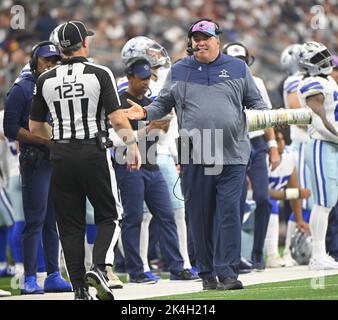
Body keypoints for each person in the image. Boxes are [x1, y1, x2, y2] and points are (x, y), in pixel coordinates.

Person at [125, 18, 269, 290]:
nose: (200, 42)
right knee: (200, 215)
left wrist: (267, 116)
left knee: (229, 213)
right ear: (191, 43)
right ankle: (206, 273)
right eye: (196, 38)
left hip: (233, 153)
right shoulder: (179, 70)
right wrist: (144, 113)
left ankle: (227, 272)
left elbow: (256, 103)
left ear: (218, 40)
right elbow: (163, 104)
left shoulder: (237, 67)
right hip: (194, 152)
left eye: (206, 37)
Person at [29, 21, 141, 300]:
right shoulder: (99, 72)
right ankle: (100, 267)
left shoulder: (45, 79)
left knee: (70, 224)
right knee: (110, 214)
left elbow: (35, 127)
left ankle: (79, 288)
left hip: (61, 155)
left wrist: (58, 139)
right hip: (92, 150)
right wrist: (132, 144)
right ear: (84, 44)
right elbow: (116, 118)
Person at [112, 57, 196, 283]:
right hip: (127, 165)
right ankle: (136, 271)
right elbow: (118, 139)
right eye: (141, 78)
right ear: (129, 77)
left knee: (166, 215)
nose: (145, 82)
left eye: (148, 77)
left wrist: (162, 126)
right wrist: (150, 127)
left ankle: (177, 268)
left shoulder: (150, 103)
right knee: (134, 218)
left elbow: (158, 137)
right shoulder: (118, 103)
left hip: (152, 163)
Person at [3, 41, 71, 295]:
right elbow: (10, 128)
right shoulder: (23, 88)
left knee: (53, 221)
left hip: (57, 160)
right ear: (35, 61)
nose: (51, 64)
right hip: (36, 161)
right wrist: (45, 142)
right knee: (35, 220)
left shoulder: (58, 86)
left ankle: (53, 274)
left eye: (55, 60)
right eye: (46, 60)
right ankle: (30, 277)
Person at [223, 42, 280, 272]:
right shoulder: (220, 82)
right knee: (234, 202)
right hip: (234, 142)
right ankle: (235, 255)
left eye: (242, 61)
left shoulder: (256, 82)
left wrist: (273, 144)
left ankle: (258, 252)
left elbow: (265, 115)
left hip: (256, 143)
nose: (240, 66)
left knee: (263, 198)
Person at [297, 41, 338, 270]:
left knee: (329, 202)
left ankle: (321, 254)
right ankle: (317, 255)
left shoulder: (327, 80)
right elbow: (320, 121)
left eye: (324, 55)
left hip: (331, 145)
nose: (324, 60)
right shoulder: (311, 83)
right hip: (322, 144)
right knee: (322, 203)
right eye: (318, 57)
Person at [280, 43, 314, 265]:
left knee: (314, 200)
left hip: (314, 143)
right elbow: (298, 116)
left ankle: (312, 247)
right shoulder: (295, 81)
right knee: (301, 197)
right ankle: (290, 253)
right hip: (302, 145)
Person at [264, 128, 311, 268]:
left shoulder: (290, 156)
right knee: (271, 203)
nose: (280, 144)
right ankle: (271, 256)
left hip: (268, 206)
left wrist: (300, 219)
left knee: (275, 204)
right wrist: (293, 193)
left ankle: (285, 253)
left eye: (282, 140)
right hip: (251, 200)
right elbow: (262, 192)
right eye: (276, 140)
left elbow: (293, 188)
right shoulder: (261, 158)